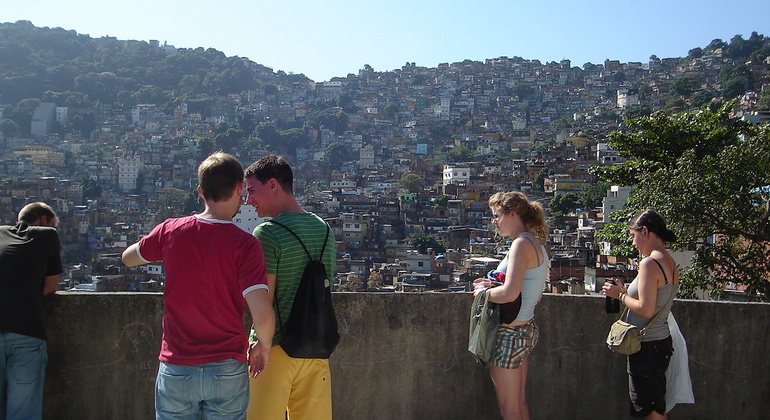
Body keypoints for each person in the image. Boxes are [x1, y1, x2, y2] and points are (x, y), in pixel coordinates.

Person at [122, 152, 275, 420]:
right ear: (240, 189)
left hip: (177, 364)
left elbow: (128, 258)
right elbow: (262, 315)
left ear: (200, 191)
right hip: (227, 366)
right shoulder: (245, 245)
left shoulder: (171, 230)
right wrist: (263, 347)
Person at [243, 156, 336, 420]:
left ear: (272, 185)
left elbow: (265, 299)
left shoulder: (267, 233)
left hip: (275, 349)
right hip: (316, 347)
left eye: (252, 190)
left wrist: (259, 344)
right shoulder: (324, 229)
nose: (248, 200)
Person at [472, 192, 549, 420]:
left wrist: (483, 293)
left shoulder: (520, 244)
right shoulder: (535, 243)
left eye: (497, 215)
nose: (494, 221)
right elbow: (533, 292)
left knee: (509, 410)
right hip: (524, 329)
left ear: (512, 214)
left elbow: (509, 293)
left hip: (509, 334)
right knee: (519, 405)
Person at [603, 210, 679, 419]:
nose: (633, 243)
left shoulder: (650, 264)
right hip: (659, 342)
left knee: (648, 409)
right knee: (654, 405)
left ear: (645, 231)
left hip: (647, 346)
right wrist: (626, 292)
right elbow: (653, 303)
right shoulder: (669, 261)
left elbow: (645, 309)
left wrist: (619, 296)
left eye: (633, 235)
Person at [0, 202, 62, 420]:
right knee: (23, 411)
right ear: (43, 220)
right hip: (26, 330)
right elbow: (50, 288)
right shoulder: (47, 235)